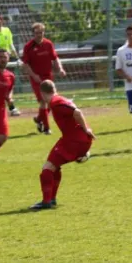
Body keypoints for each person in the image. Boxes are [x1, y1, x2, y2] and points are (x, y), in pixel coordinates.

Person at [29, 80, 96, 210]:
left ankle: (46, 201)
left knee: (47, 169)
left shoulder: (55, 102)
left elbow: (77, 112)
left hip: (73, 141)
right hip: (74, 139)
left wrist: (86, 129)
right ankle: (52, 199)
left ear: (42, 93)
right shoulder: (58, 100)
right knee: (55, 167)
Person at [22, 22, 66, 135]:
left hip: (48, 76)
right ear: (33, 34)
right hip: (36, 78)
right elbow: (25, 64)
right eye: (37, 33)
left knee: (51, 101)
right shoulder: (28, 46)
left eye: (41, 32)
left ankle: (39, 119)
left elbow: (55, 58)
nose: (39, 35)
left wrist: (60, 69)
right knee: (43, 101)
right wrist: (34, 75)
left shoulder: (48, 44)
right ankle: (46, 128)